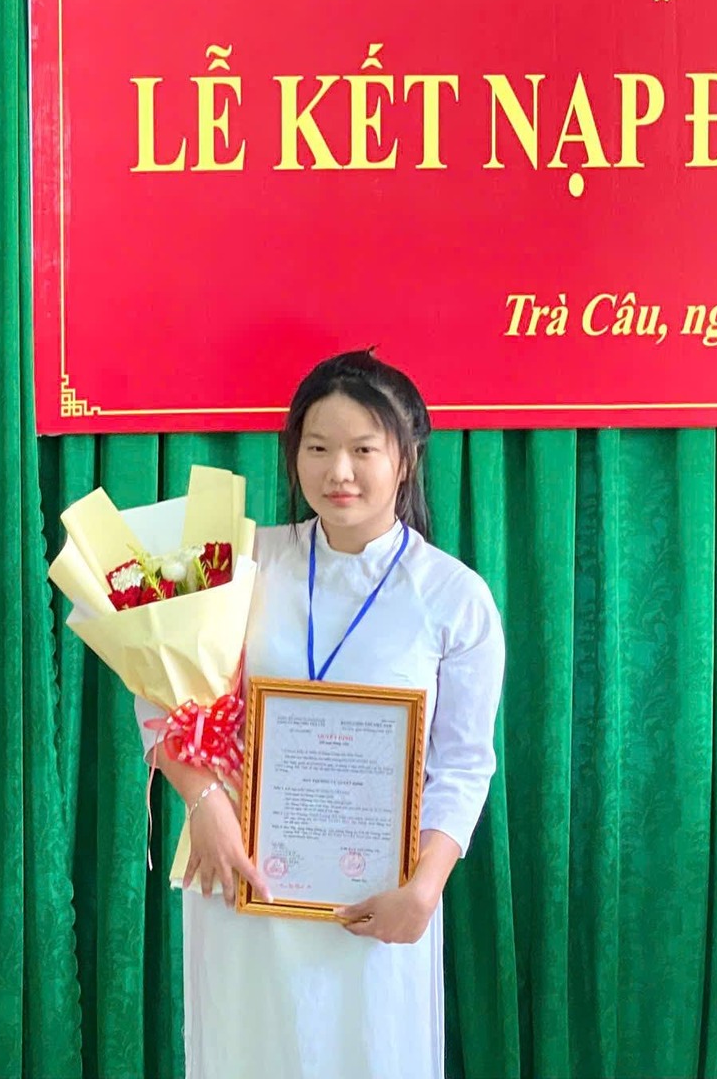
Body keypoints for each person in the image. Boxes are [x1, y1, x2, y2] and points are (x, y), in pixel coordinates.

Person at [143, 350, 506, 1079]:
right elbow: (156, 683)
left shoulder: (454, 597)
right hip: (244, 880)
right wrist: (204, 803)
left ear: (406, 459)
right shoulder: (242, 561)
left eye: (363, 450)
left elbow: (465, 764)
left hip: (377, 898)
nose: (339, 472)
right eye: (318, 448)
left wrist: (424, 888)